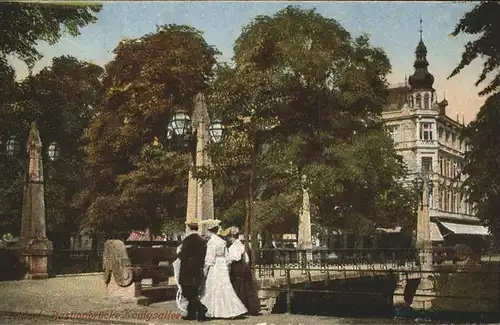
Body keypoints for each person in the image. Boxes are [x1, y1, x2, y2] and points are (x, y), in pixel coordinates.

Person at [200, 219, 247, 319]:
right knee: (226, 287)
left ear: (209, 231)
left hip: (216, 265)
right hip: (223, 265)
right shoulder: (222, 241)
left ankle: (214, 311)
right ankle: (231, 310)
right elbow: (227, 257)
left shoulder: (211, 242)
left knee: (213, 287)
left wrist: (206, 268)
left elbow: (210, 258)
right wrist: (227, 266)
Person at [177, 220, 208, 321]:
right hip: (197, 269)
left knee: (187, 293)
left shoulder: (187, 240)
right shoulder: (202, 241)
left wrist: (178, 254)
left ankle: (201, 309)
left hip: (187, 270)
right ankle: (191, 314)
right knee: (193, 292)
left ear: (189, 228)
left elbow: (183, 255)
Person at [227, 227, 261, 315]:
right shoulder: (241, 245)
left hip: (237, 268)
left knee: (238, 288)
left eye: (229, 237)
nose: (229, 239)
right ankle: (251, 308)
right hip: (244, 267)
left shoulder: (233, 247)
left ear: (231, 237)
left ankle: (241, 308)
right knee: (247, 288)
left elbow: (233, 259)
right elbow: (247, 259)